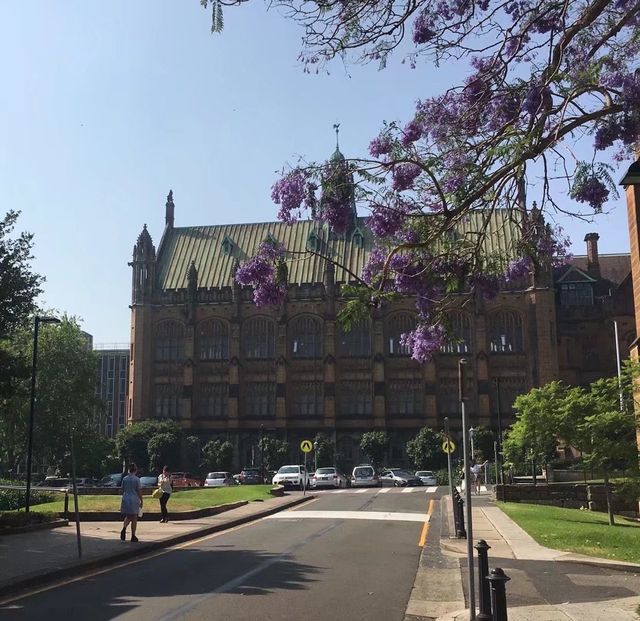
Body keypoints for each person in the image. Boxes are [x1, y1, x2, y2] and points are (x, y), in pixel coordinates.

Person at [120, 463, 143, 542]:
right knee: (134, 517)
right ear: (135, 470)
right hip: (134, 499)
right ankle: (133, 535)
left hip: (125, 498)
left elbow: (122, 489)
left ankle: (124, 528)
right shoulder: (136, 479)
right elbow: (138, 490)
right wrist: (141, 500)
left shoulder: (125, 479)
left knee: (128, 516)